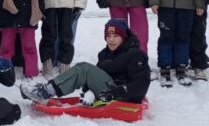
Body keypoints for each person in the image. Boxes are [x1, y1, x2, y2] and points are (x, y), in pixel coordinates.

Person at [20, 18, 150, 105]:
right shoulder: (104, 54)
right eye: (108, 36)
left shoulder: (135, 55)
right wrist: (90, 93)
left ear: (124, 38)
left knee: (84, 68)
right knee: (85, 70)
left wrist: (121, 91)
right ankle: (45, 91)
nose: (111, 40)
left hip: (124, 96)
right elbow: (97, 77)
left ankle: (45, 92)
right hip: (109, 93)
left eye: (116, 36)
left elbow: (142, 82)